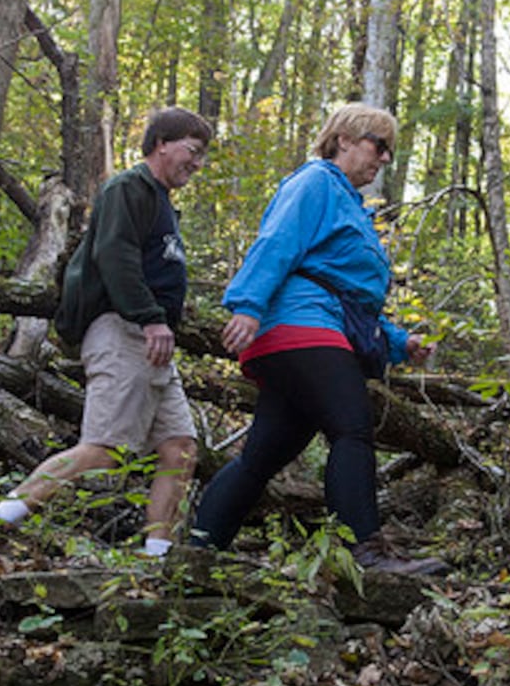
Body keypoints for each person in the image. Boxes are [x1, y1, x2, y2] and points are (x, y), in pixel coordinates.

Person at [191, 102, 448, 576]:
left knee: (264, 454)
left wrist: (398, 341)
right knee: (351, 426)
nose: (385, 159)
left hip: (310, 329)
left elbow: (351, 296)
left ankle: (199, 549)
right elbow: (277, 241)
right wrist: (248, 305)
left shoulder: (352, 206)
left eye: (390, 150)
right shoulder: (314, 182)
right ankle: (364, 553)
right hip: (299, 325)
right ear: (344, 139)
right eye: (379, 145)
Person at [0, 106, 214, 555]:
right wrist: (150, 317)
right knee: (102, 451)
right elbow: (115, 255)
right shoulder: (127, 189)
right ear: (161, 144)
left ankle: (156, 560)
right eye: (192, 151)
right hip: (124, 332)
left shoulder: (160, 202)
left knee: (179, 447)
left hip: (153, 344)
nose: (197, 163)